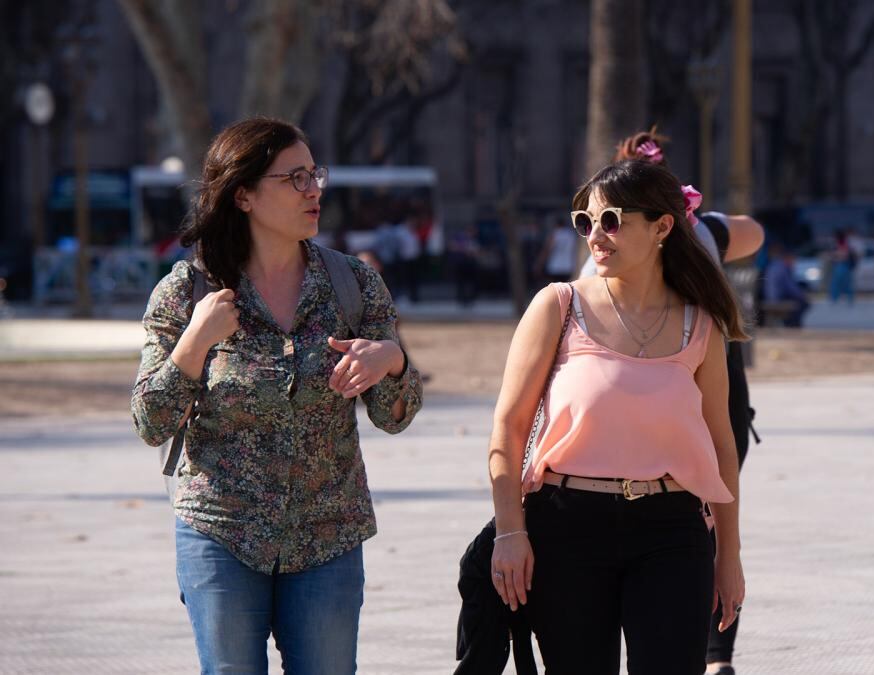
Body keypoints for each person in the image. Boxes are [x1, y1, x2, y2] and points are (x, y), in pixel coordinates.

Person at [131, 117, 423, 674]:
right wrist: (194, 342)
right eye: (295, 178)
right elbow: (149, 421)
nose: (314, 190)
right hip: (221, 533)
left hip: (328, 537)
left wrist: (393, 362)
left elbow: (394, 417)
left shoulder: (354, 285)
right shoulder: (187, 291)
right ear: (243, 194)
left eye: (315, 175)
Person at [487, 160, 747, 674]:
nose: (595, 237)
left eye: (611, 221)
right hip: (566, 527)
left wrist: (730, 555)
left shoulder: (701, 325)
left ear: (662, 227)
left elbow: (722, 447)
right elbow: (509, 428)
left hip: (673, 531)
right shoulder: (557, 307)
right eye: (585, 222)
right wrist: (510, 531)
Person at [589, 129, 765, 675]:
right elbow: (756, 232)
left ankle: (691, 642)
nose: (600, 228)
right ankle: (718, 654)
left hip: (664, 397)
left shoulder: (605, 252)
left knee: (687, 526)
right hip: (722, 392)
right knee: (713, 515)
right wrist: (707, 229)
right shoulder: (703, 233)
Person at [763, 242, 810, 328]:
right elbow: (790, 288)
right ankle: (793, 325)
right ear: (788, 258)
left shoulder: (774, 265)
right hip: (776, 298)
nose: (794, 263)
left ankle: (792, 324)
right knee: (803, 303)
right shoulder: (781, 267)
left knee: (799, 303)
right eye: (793, 259)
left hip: (771, 296)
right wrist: (802, 295)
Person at [537, 215, 579, 284]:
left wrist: (539, 264)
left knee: (555, 291)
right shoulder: (572, 234)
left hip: (555, 267)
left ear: (556, 224)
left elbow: (547, 250)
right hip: (568, 267)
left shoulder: (555, 234)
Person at [828, 229, 858, 305]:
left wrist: (835, 256)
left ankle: (836, 299)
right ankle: (846, 299)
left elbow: (844, 255)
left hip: (842, 265)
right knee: (843, 283)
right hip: (843, 266)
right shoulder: (844, 243)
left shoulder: (843, 244)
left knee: (839, 283)